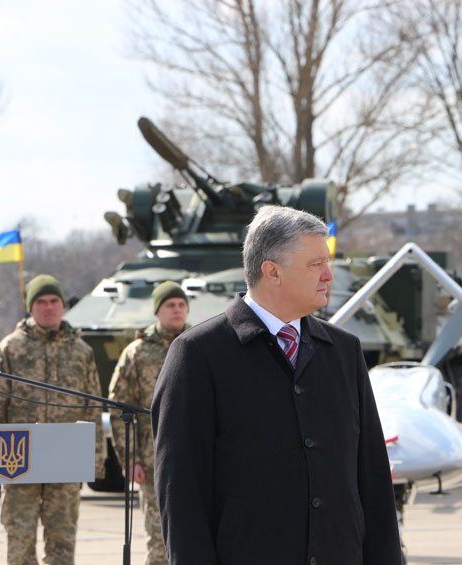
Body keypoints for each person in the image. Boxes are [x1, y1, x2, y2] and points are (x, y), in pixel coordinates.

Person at [151, 205, 401, 565]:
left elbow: (373, 480)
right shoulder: (197, 356)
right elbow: (181, 497)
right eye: (316, 264)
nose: (329, 275)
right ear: (272, 272)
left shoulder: (344, 352)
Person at [0, 274, 105, 565]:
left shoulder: (81, 351)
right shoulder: (10, 348)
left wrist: (93, 462)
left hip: (65, 462)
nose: (48, 307)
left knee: (62, 543)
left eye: (54, 301)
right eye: (40, 302)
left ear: (63, 306)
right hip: (18, 463)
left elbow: (93, 408)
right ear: (30, 307)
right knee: (19, 543)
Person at [108, 281, 190, 565]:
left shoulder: (201, 345)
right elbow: (120, 409)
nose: (177, 310)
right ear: (157, 311)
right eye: (170, 305)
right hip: (155, 459)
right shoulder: (137, 352)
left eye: (181, 304)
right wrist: (129, 459)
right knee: (160, 542)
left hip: (201, 458)